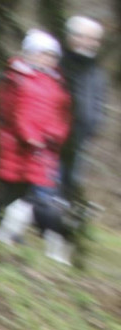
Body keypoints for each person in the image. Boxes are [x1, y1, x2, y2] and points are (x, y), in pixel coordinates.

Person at [0, 30, 73, 264]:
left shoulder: (55, 82)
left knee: (35, 195)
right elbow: (14, 112)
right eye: (46, 54)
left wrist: (56, 135)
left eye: (53, 56)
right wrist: (30, 137)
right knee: (13, 190)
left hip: (44, 148)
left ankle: (14, 231)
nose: (51, 60)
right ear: (33, 54)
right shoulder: (17, 77)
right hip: (19, 145)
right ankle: (3, 230)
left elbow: (61, 115)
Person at [60, 16, 107, 200]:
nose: (89, 43)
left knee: (68, 188)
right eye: (83, 37)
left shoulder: (96, 72)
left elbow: (98, 102)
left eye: (94, 39)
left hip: (79, 141)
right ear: (71, 37)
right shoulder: (59, 62)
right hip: (53, 138)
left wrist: (94, 124)